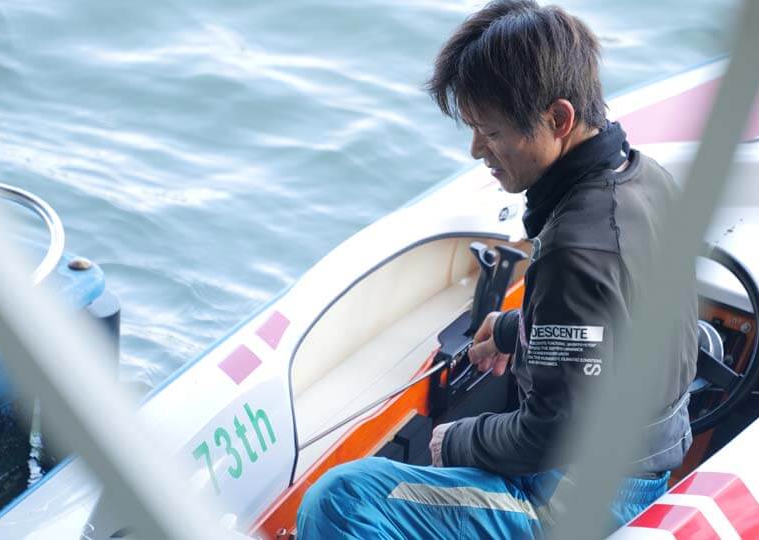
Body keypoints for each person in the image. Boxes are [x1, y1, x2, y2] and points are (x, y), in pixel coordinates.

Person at [297, 1, 698, 537]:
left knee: (342, 499)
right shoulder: (648, 180)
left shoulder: (575, 251)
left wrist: (456, 441)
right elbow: (616, 324)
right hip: (643, 465)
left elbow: (551, 437)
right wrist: (514, 329)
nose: (475, 150)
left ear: (559, 119)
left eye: (489, 132)